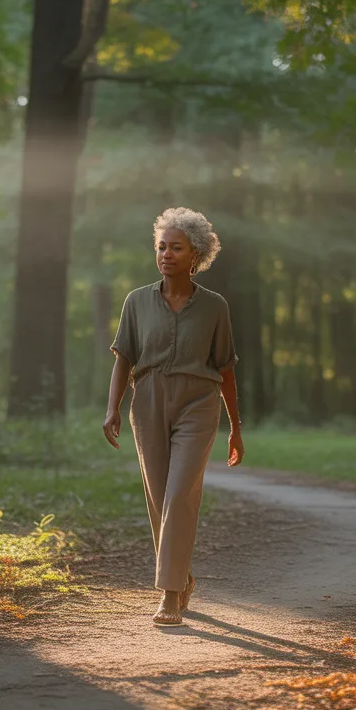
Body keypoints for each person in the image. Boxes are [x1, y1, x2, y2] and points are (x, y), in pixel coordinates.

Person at [103, 207, 245, 627]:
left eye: (176, 248)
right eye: (161, 247)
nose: (166, 254)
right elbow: (123, 359)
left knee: (180, 493)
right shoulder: (136, 301)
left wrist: (235, 427)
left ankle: (168, 596)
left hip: (199, 402)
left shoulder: (215, 307)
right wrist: (112, 407)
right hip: (147, 399)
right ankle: (180, 579)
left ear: (195, 254)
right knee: (158, 498)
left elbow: (226, 369)